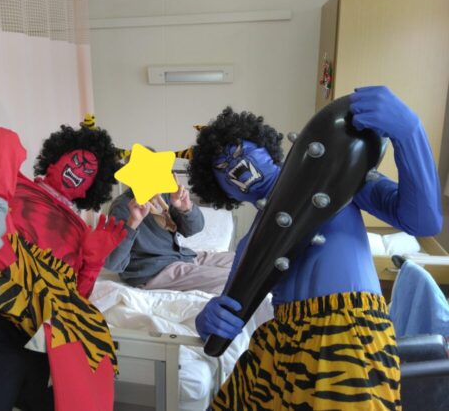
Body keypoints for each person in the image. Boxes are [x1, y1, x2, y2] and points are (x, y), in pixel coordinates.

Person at [188, 86, 443, 410]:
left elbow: (423, 222)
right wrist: (207, 320)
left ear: (267, 148)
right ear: (225, 194)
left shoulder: (336, 179)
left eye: (239, 151)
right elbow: (227, 320)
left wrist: (409, 132)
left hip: (348, 335)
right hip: (280, 342)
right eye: (221, 169)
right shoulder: (248, 245)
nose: (234, 165)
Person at [0, 124, 124, 411]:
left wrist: (92, 263)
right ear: (54, 159)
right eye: (77, 160)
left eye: (89, 171)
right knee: (4, 139)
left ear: (91, 187)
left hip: (39, 348)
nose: (79, 170)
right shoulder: (9, 184)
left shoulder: (81, 230)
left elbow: (70, 303)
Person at [104, 171, 239, 294]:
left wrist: (185, 208)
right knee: (230, 279)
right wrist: (133, 222)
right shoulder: (122, 206)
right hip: (154, 270)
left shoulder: (164, 195)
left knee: (241, 259)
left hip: (181, 256)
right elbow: (113, 263)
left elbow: (193, 229)